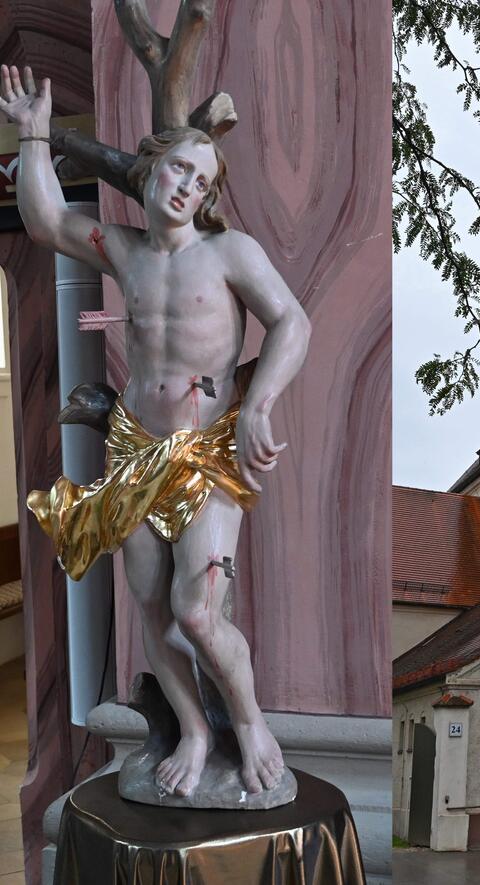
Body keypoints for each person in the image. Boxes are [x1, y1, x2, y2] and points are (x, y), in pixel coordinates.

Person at [0, 65, 311, 797]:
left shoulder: (230, 253)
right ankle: (194, 731)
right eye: (178, 169)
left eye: (200, 183)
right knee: (149, 606)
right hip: (135, 450)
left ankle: (249, 719)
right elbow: (44, 220)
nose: (185, 188)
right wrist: (36, 132)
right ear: (151, 166)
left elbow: (292, 320)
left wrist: (261, 401)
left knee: (197, 610)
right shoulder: (124, 248)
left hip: (205, 454)